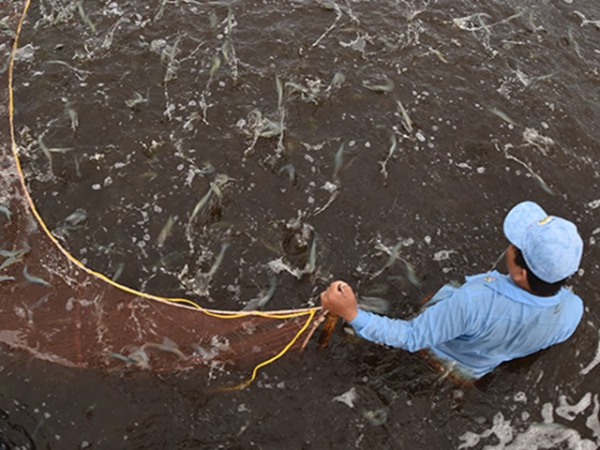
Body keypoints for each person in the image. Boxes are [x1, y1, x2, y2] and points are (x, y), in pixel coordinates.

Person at [320, 201, 584, 380]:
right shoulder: (573, 311)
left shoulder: (476, 302)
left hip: (436, 352)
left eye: (515, 246)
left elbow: (412, 337)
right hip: (470, 372)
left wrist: (352, 314)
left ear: (521, 273)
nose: (510, 245)